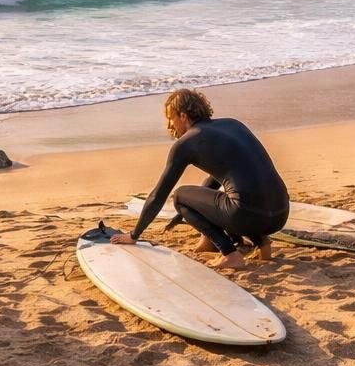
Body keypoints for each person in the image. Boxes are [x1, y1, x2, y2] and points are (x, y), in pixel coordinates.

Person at [111, 88, 290, 271]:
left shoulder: (187, 143)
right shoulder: (233, 124)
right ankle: (261, 242)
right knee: (237, 193)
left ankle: (230, 254)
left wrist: (134, 235)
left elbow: (158, 195)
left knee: (179, 196)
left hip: (249, 215)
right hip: (280, 214)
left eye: (170, 118)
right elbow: (220, 175)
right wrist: (198, 216)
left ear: (183, 115)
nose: (169, 126)